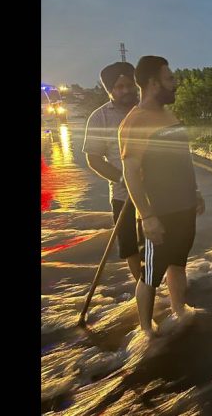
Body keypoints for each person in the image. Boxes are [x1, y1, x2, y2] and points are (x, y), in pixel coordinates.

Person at [119, 56, 205, 337]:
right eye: (170, 78)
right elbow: (130, 171)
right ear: (153, 83)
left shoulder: (169, 115)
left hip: (185, 206)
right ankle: (146, 333)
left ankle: (180, 311)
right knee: (151, 275)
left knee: (179, 263)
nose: (175, 83)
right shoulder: (135, 122)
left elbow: (182, 158)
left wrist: (195, 192)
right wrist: (148, 216)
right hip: (161, 213)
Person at [82, 62, 142, 281]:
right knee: (129, 244)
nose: (126, 90)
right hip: (122, 193)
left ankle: (163, 284)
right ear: (109, 90)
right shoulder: (99, 118)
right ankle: (143, 285)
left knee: (158, 240)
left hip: (154, 190)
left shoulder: (148, 109)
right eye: (119, 87)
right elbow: (93, 159)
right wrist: (122, 178)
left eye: (130, 85)